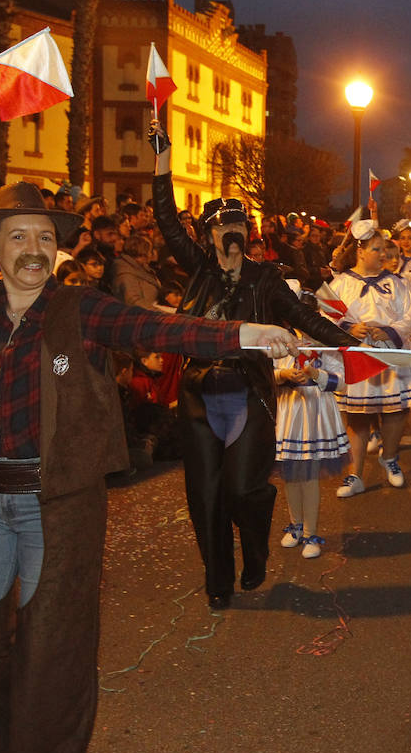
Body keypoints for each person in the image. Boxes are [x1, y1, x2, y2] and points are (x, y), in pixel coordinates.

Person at [0, 93, 301, 753]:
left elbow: (160, 325)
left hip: (58, 503)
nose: (33, 249)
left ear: (56, 249)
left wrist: (247, 334)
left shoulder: (81, 309)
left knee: (54, 651)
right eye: (18, 237)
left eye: (44, 237)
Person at [149, 118, 356, 611]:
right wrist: (162, 161)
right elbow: (164, 219)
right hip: (200, 400)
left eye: (239, 225)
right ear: (208, 234)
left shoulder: (266, 279)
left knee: (244, 490)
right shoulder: (198, 269)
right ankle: (218, 580)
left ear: (249, 231)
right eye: (222, 226)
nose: (232, 232)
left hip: (250, 397)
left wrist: (349, 341)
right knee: (206, 497)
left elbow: (305, 316)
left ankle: (257, 551)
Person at [320, 223, 411, 496]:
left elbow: (409, 315)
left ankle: (389, 458)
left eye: (384, 249)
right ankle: (355, 476)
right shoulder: (340, 283)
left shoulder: (396, 283)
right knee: (357, 417)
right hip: (357, 357)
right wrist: (348, 328)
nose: (382, 255)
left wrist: (389, 330)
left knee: (396, 409)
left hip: (391, 354)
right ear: (360, 252)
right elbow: (323, 317)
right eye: (376, 249)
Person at [273, 346, 349, 559]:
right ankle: (296, 525)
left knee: (309, 476)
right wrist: (283, 374)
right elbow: (265, 372)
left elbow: (342, 383)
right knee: (290, 475)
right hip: (289, 410)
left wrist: (317, 374)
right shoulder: (282, 337)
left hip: (316, 413)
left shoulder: (326, 344)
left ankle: (310, 533)